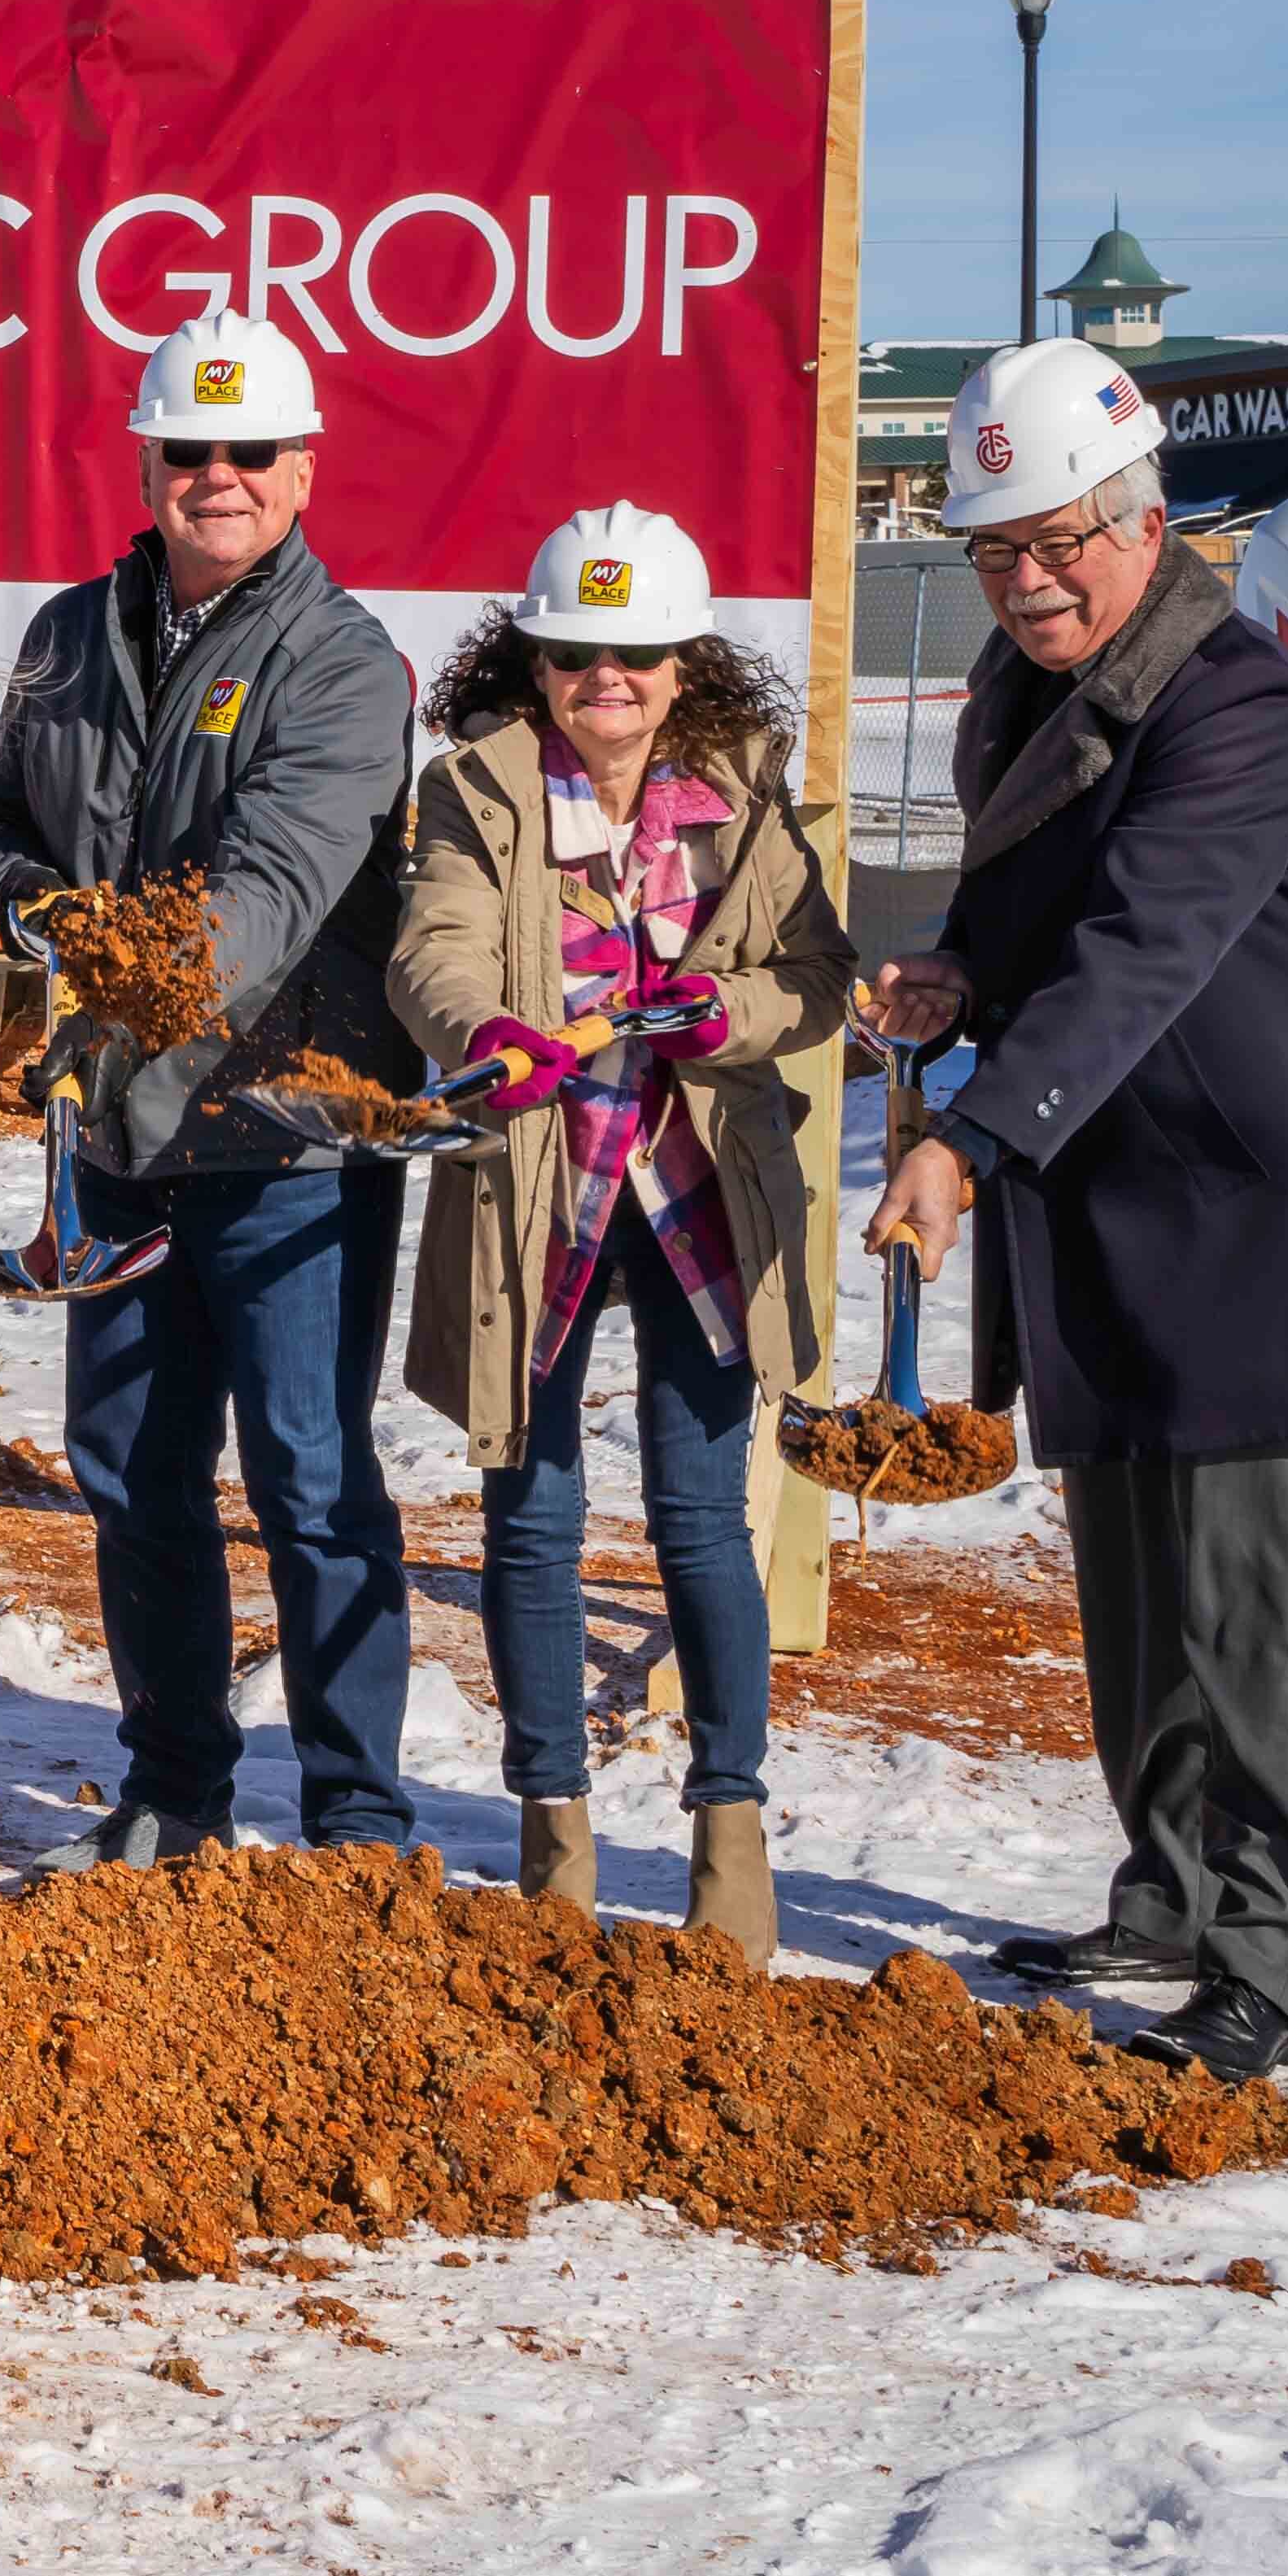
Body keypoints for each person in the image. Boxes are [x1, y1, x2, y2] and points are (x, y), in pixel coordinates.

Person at [864, 339, 1288, 2082]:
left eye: (1059, 540)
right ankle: (1168, 1886)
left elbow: (1142, 949)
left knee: (1237, 1603)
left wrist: (966, 1143)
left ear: (1144, 520)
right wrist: (956, 976)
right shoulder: (1019, 701)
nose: (1028, 579)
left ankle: (1269, 1946)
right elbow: (1042, 932)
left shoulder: (1235, 703)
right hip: (1103, 1191)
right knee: (1128, 1585)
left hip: (1242, 1211)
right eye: (998, 550)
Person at [0, 302, 424, 1863]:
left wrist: (134, 978)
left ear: (302, 467)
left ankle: (355, 1817)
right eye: (187, 450)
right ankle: (175, 1786)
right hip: (117, 1138)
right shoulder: (61, 638)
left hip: (285, 1135)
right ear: (147, 464)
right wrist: (33, 904)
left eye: (249, 449)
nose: (216, 474)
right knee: (132, 1468)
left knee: (304, 1476)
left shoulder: (346, 662)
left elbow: (281, 882)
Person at [386, 503, 853, 1965]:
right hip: (542, 1184)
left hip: (700, 1186)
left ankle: (728, 1827)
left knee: (701, 1522)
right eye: (580, 653)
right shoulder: (474, 790)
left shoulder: (749, 795)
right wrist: (486, 1031)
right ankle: (553, 1836)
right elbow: (431, 948)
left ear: (683, 662)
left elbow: (814, 972)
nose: (610, 680)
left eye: (638, 653)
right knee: (529, 1519)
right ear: (535, 662)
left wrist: (739, 1017)